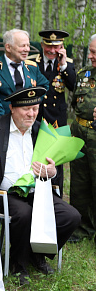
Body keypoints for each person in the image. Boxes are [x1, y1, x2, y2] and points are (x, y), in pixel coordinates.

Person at [0, 87, 80, 285]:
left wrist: (53, 171)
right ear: (12, 108)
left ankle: (36, 254)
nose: (31, 114)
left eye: (35, 109)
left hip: (37, 191)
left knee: (70, 216)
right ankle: (18, 264)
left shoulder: (40, 131)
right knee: (24, 214)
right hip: (2, 193)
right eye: (26, 109)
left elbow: (55, 165)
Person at [30, 29, 76, 195]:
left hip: (57, 121)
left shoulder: (66, 64)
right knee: (34, 158)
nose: (51, 51)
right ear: (42, 45)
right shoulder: (32, 63)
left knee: (55, 161)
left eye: (56, 47)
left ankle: (56, 195)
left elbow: (73, 86)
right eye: (48, 46)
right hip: (36, 119)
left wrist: (63, 65)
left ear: (62, 47)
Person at [70, 34, 96, 241]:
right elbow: (74, 104)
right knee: (80, 182)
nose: (91, 56)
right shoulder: (83, 74)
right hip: (79, 132)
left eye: (95, 52)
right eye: (91, 51)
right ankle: (81, 228)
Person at [0, 29, 49, 111]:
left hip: (26, 120)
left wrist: (33, 103)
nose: (27, 49)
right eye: (22, 46)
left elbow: (45, 86)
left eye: (28, 45)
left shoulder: (32, 67)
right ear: (8, 47)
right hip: (1, 119)